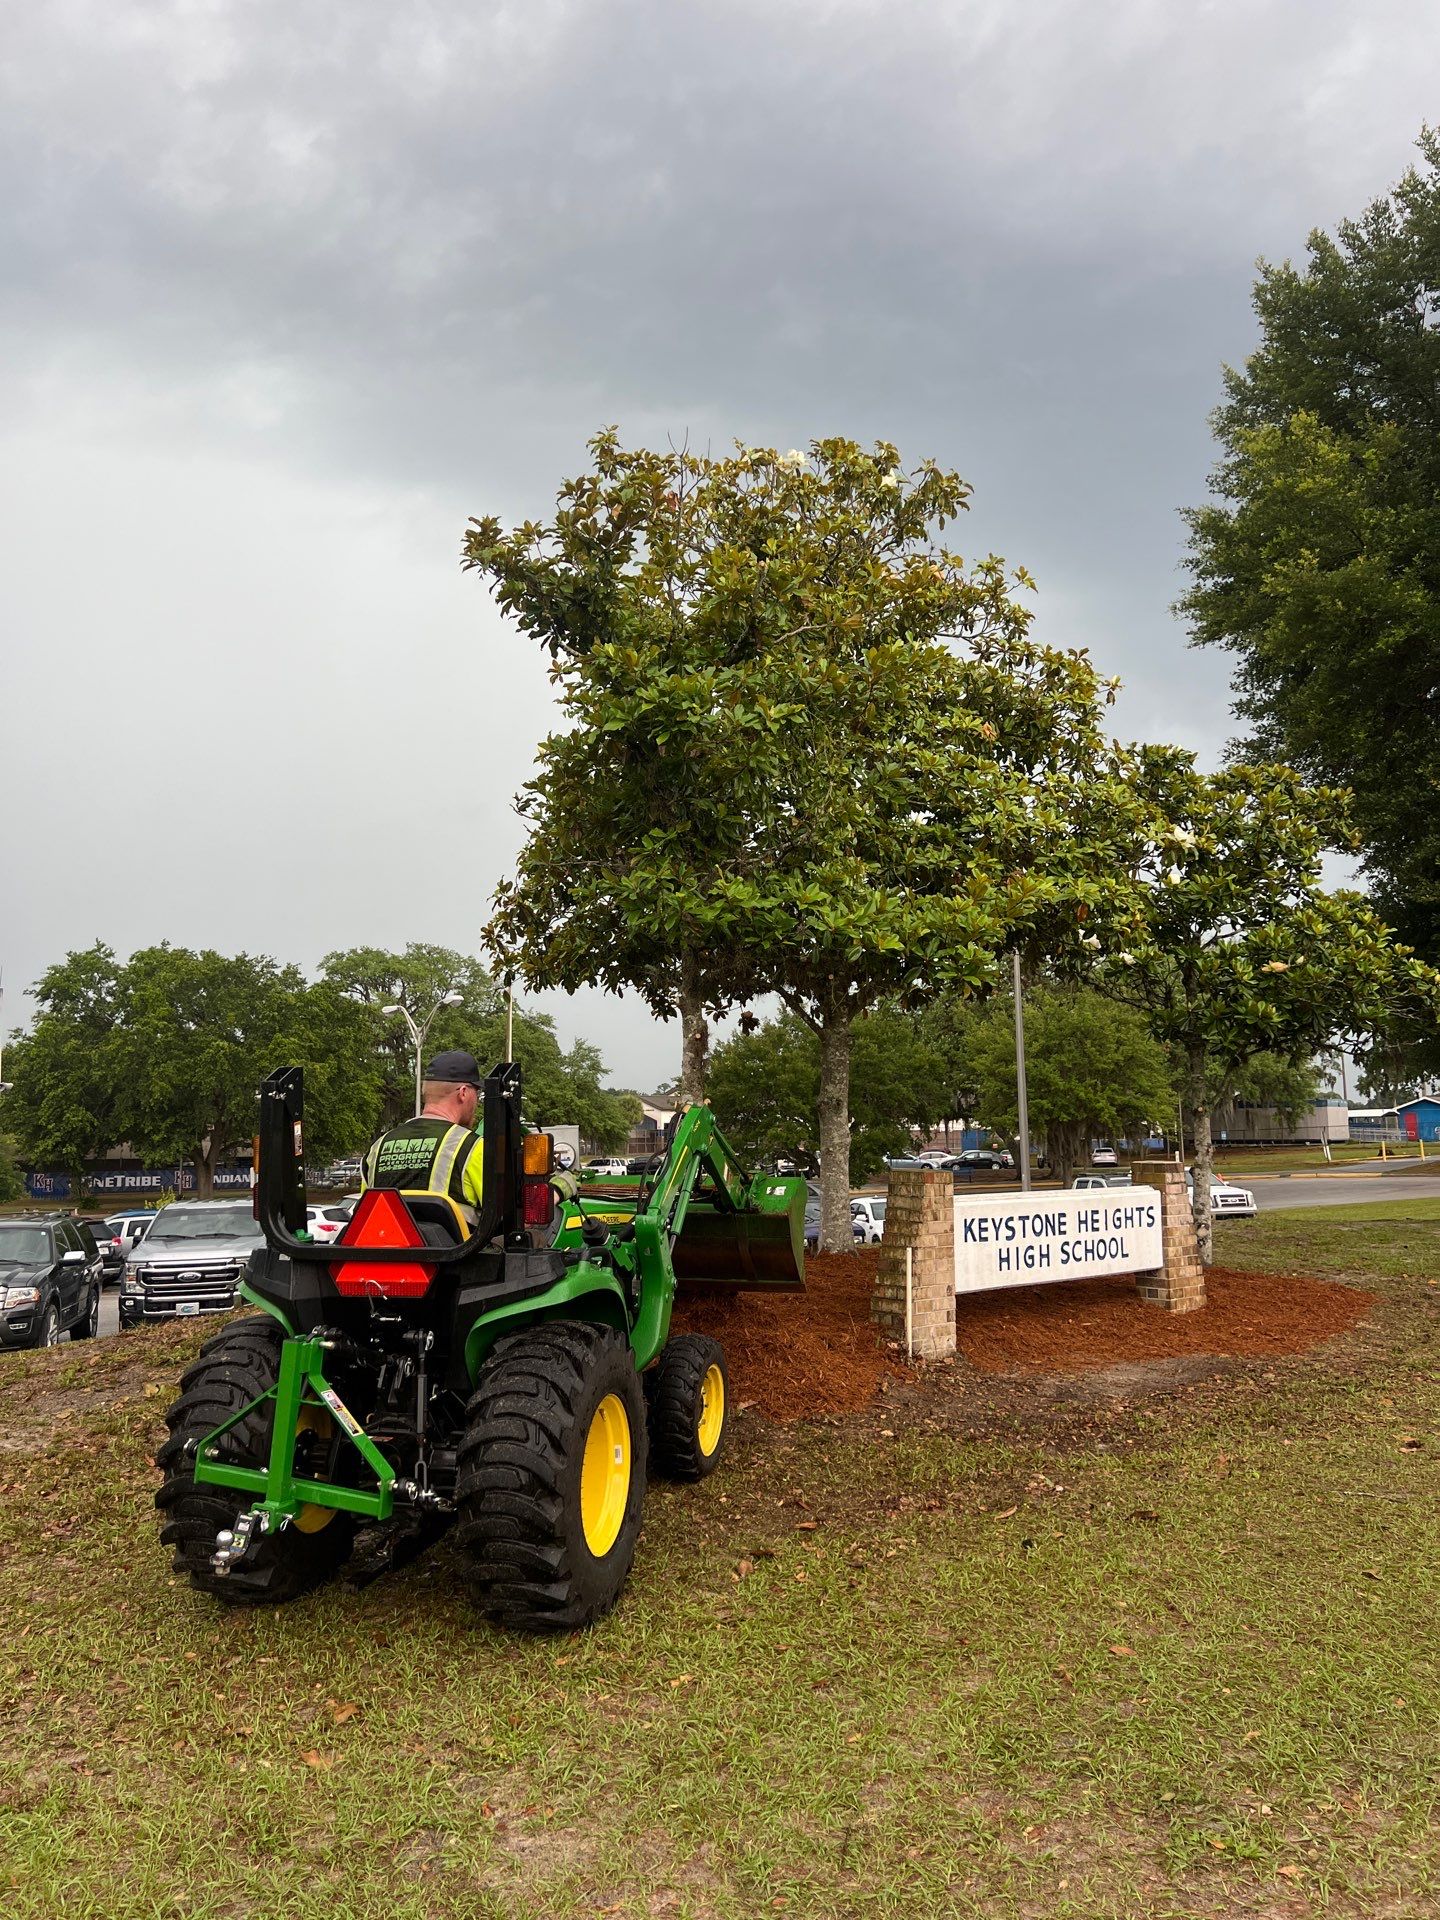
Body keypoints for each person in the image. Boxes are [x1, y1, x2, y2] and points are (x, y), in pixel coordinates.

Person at [361, 1050, 485, 1221]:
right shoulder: (472, 1147)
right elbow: (504, 1213)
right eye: (476, 1092)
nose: (477, 1101)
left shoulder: (377, 1148)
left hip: (384, 1239)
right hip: (457, 1240)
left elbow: (365, 1213)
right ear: (463, 1092)